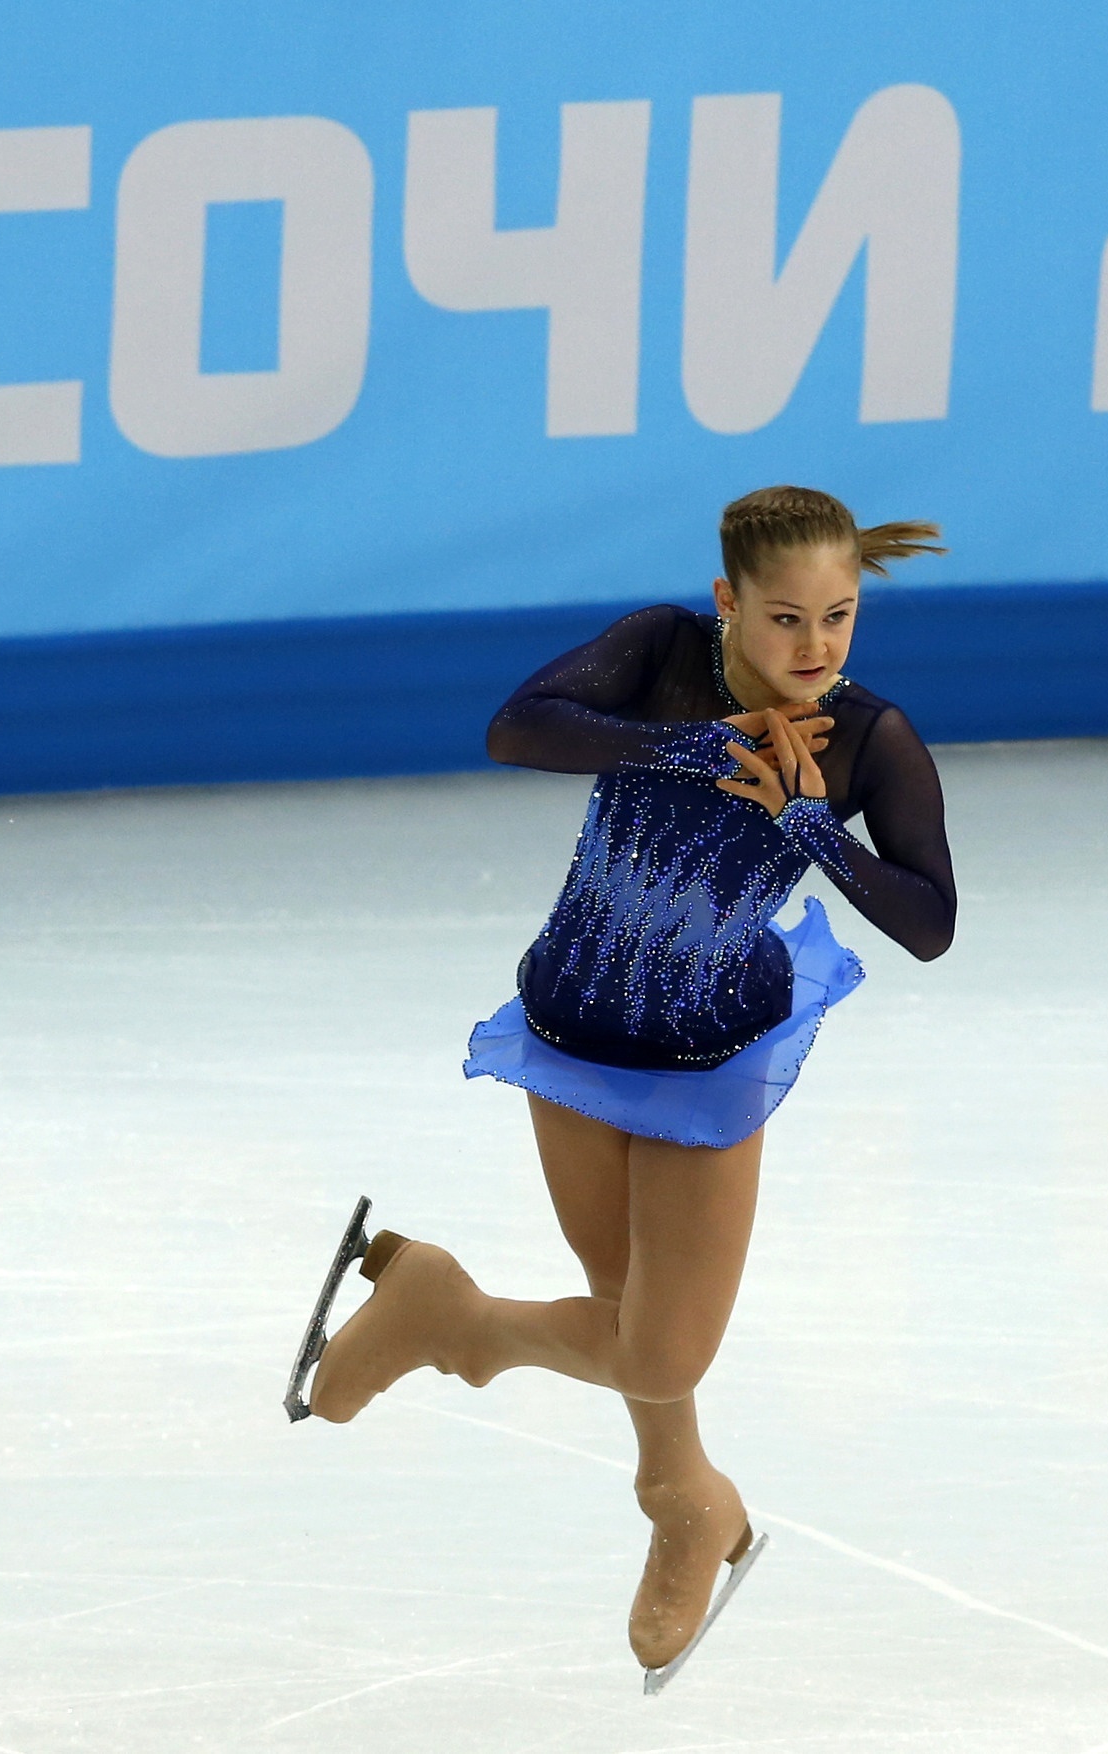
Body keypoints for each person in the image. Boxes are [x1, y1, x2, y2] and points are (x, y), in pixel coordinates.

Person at [300, 485, 956, 1677]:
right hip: (573, 1026)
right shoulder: (661, 654)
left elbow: (931, 921)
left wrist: (809, 825)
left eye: (839, 618)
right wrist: (688, 743)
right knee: (624, 1301)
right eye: (785, 619)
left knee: (659, 1352)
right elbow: (518, 726)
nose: (814, 650)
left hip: (708, 1056)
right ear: (727, 603)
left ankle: (455, 1319)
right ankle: (684, 1499)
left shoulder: (868, 737)